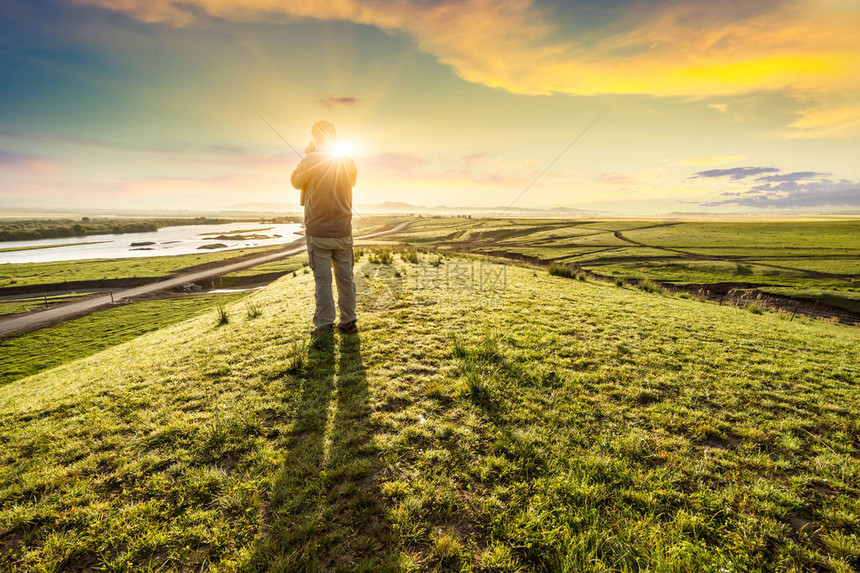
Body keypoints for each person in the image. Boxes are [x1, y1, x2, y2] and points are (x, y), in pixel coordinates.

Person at [291, 120, 359, 335]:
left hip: (318, 231)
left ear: (314, 137)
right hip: (343, 230)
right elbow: (353, 181)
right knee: (346, 278)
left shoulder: (311, 160)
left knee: (323, 281)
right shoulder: (347, 161)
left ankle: (324, 325)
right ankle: (349, 321)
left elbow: (295, 181)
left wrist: (309, 154)